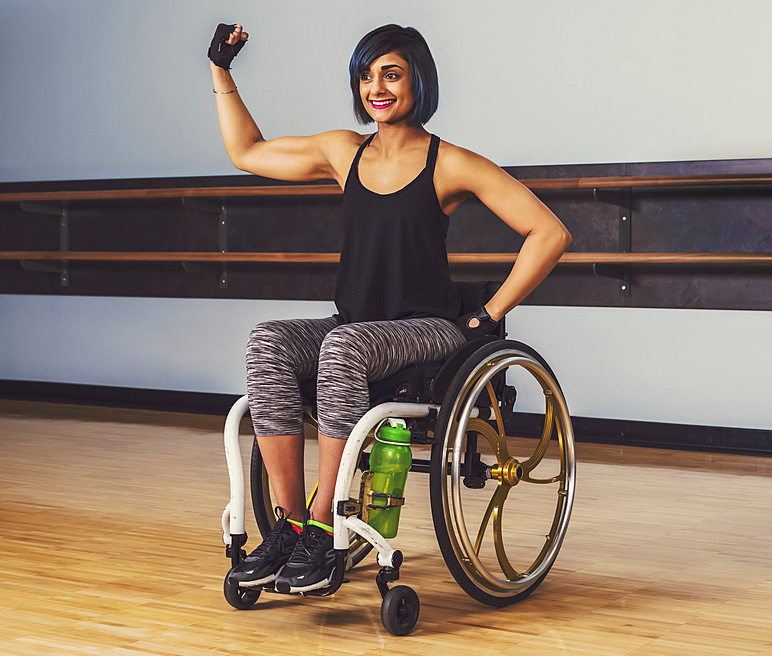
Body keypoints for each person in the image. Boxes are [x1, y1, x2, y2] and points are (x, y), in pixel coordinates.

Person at [210, 23, 571, 594]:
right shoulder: (341, 151)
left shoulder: (449, 163)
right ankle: (290, 527)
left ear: (418, 81)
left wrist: (488, 313)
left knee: (343, 347)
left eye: (391, 74)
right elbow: (246, 152)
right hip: (353, 323)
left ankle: (325, 526)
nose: (375, 87)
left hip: (426, 328)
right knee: (268, 340)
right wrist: (221, 71)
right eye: (366, 75)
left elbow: (548, 233)